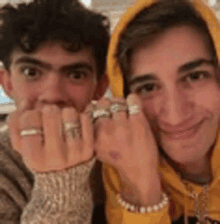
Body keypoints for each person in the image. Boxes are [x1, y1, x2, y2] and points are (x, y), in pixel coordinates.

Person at [92, 0, 220, 223]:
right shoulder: (121, 163)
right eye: (148, 88)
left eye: (195, 76)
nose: (175, 114)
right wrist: (143, 192)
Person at [0, 0, 109, 223]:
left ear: (100, 87)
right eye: (31, 72)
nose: (52, 95)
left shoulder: (119, 147)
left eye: (76, 75)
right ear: (7, 83)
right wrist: (61, 187)